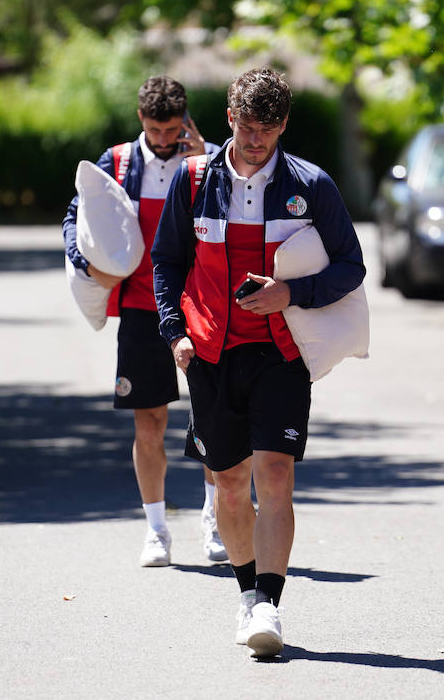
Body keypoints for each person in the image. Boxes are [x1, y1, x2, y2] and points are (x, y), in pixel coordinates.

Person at [151, 68, 366, 658]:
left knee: (275, 475)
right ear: (229, 118)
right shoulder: (194, 181)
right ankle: (246, 595)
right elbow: (166, 262)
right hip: (210, 353)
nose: (256, 142)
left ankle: (266, 603)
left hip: (281, 352)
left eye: (268, 132)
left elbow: (351, 266)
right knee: (227, 482)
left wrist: (291, 295)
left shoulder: (311, 184)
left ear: (284, 127)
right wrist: (175, 335)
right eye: (247, 129)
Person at [62, 75, 228, 568]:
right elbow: (77, 216)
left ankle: (215, 520)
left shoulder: (212, 159)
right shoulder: (115, 163)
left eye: (171, 129)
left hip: (202, 308)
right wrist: (81, 259)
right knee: (149, 423)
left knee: (212, 422)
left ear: (186, 121)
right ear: (141, 120)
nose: (163, 140)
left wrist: (207, 159)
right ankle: (156, 531)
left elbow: (235, 217)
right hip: (140, 309)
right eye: (155, 130)